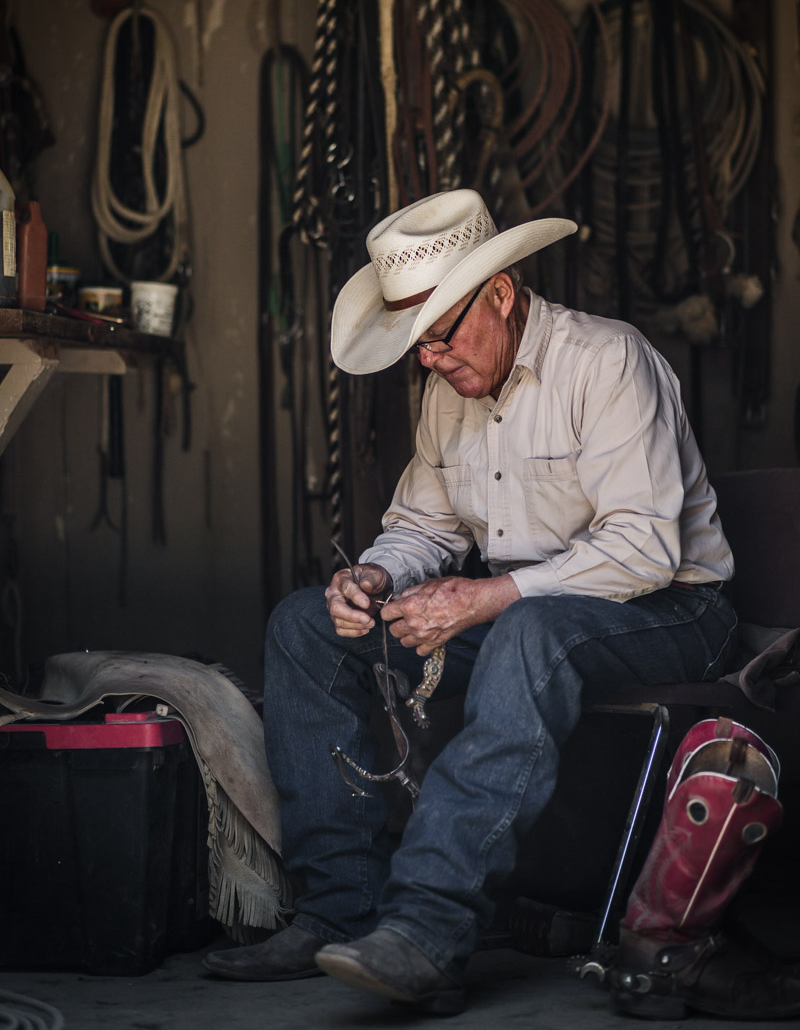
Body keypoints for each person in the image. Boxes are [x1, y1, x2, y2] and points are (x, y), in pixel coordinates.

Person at [204, 188, 739, 1014]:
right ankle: (338, 909)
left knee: (529, 628)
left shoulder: (608, 360)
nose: (430, 361)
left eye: (441, 337)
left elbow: (644, 548)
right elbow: (426, 523)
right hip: (532, 617)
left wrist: (488, 596)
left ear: (500, 292)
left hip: (670, 612)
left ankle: (428, 930)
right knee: (305, 627)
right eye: (416, 346)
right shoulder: (451, 386)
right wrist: (378, 577)